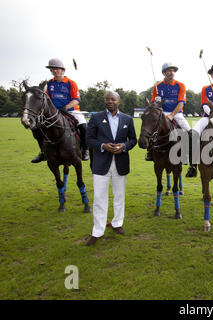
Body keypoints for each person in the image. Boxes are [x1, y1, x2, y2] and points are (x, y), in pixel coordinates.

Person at [85, 91, 137, 246]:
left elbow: (133, 140)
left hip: (120, 163)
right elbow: (88, 139)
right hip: (101, 164)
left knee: (119, 196)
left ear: (118, 101)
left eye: (112, 99)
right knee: (99, 198)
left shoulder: (127, 119)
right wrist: (103, 146)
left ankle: (117, 223)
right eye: (107, 99)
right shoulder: (96, 117)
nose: (109, 101)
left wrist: (124, 146)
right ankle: (97, 231)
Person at [31, 58, 89, 163]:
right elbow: (45, 99)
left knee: (84, 126)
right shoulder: (49, 84)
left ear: (63, 70)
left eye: (57, 69)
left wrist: (65, 107)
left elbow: (76, 100)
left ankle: (85, 149)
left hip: (71, 111)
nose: (54, 71)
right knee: (37, 127)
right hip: (54, 113)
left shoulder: (71, 83)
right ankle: (43, 152)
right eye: (52, 69)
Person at [145, 62, 190, 161]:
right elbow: (153, 104)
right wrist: (156, 101)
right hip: (162, 112)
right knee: (150, 129)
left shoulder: (180, 85)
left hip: (177, 113)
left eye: (173, 70)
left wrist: (171, 115)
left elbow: (181, 103)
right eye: (169, 70)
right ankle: (149, 152)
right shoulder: (157, 87)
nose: (171, 72)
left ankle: (187, 155)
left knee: (189, 132)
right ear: (164, 73)